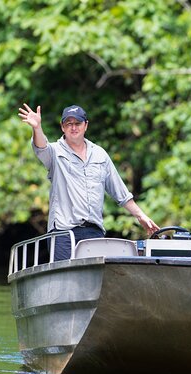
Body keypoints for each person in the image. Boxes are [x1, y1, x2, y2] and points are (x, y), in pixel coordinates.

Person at [18, 103, 159, 260]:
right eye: (68, 124)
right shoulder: (55, 152)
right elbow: (41, 147)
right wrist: (37, 128)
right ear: (62, 127)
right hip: (63, 232)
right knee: (65, 277)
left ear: (86, 125)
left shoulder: (100, 154)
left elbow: (120, 192)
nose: (73, 128)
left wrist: (141, 216)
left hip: (94, 230)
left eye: (77, 123)